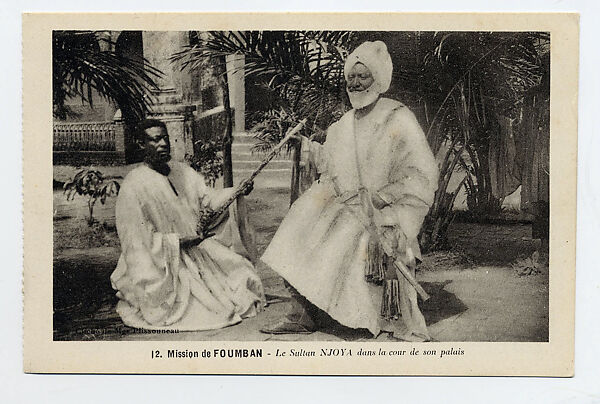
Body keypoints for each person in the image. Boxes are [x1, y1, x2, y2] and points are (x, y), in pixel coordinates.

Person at [260, 41, 439, 341]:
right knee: (300, 221)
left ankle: (357, 315)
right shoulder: (343, 125)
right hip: (347, 204)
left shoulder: (398, 117)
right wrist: (308, 149)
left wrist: (385, 197)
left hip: (383, 210)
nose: (355, 83)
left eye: (363, 76)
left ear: (378, 79)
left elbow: (422, 174)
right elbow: (331, 168)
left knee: (340, 237)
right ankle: (301, 312)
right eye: (351, 78)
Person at [110, 119, 265, 331]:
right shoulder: (133, 185)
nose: (163, 144)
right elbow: (136, 241)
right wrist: (177, 242)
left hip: (195, 253)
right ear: (141, 145)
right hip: (162, 262)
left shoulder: (181, 171)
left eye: (165, 138)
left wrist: (236, 191)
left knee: (243, 276)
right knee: (206, 311)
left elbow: (208, 199)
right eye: (155, 140)